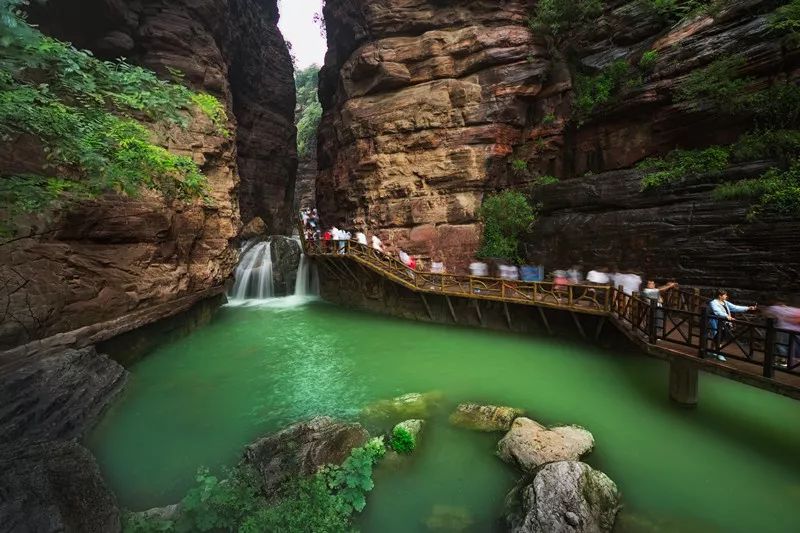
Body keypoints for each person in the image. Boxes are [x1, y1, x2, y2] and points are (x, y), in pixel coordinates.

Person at [706, 289, 757, 362]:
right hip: (715, 321)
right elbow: (717, 311)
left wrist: (748, 308)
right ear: (720, 296)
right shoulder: (713, 303)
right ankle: (719, 353)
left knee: (717, 337)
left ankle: (711, 351)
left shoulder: (725, 302)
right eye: (725, 295)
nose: (726, 296)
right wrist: (727, 316)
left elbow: (735, 307)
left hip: (723, 322)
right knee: (718, 337)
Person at [763, 302, 800, 368]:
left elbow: (766, 314)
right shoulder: (794, 310)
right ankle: (786, 363)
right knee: (787, 348)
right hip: (791, 331)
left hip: (784, 331)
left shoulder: (774, 308)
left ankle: (784, 362)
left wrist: (783, 318)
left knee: (783, 347)